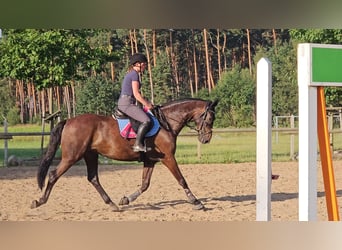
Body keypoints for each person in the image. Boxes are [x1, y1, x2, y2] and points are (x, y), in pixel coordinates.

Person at [117, 53, 154, 152]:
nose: (145, 67)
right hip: (127, 103)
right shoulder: (134, 74)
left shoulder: (131, 73)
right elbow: (136, 94)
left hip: (126, 102)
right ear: (138, 64)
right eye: (144, 64)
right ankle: (138, 144)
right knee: (147, 121)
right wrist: (148, 104)